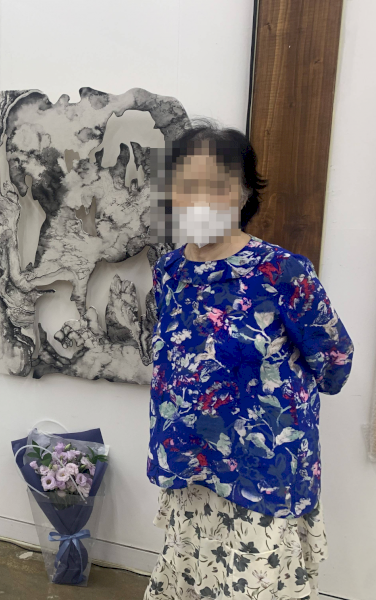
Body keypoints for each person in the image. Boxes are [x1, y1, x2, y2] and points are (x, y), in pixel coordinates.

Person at [144, 121, 354, 600]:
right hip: (189, 462)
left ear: (242, 194)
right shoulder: (170, 270)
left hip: (260, 471)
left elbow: (335, 360)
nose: (200, 199)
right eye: (186, 185)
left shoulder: (284, 273)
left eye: (216, 186)